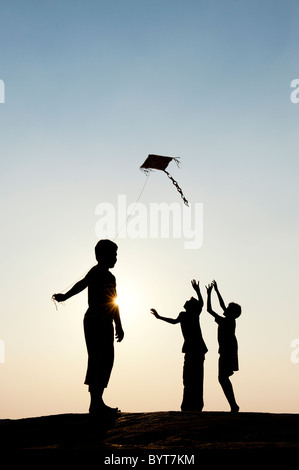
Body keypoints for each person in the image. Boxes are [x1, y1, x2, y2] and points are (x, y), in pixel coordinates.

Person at [52, 239, 124, 415]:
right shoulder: (96, 272)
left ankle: (98, 400)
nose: (116, 258)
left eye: (116, 254)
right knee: (97, 358)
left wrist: (119, 325)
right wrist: (65, 296)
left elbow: (114, 302)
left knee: (107, 359)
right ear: (101, 256)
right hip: (95, 320)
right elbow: (81, 285)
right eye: (113, 254)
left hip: (106, 322)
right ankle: (95, 402)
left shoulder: (111, 277)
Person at [151, 280, 208, 411]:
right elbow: (173, 321)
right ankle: (188, 404)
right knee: (188, 378)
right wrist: (159, 317)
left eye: (189, 300)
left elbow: (201, 304)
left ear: (192, 306)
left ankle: (196, 405)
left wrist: (198, 291)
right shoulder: (184, 315)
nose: (187, 301)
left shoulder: (194, 314)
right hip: (192, 349)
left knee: (196, 377)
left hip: (197, 349)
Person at [205, 280, 241, 413]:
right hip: (226, 351)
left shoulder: (228, 321)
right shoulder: (226, 320)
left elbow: (212, 309)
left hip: (228, 351)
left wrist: (212, 293)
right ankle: (233, 405)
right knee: (222, 378)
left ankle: (234, 405)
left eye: (228, 308)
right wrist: (213, 292)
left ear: (231, 312)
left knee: (222, 378)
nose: (225, 308)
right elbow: (214, 308)